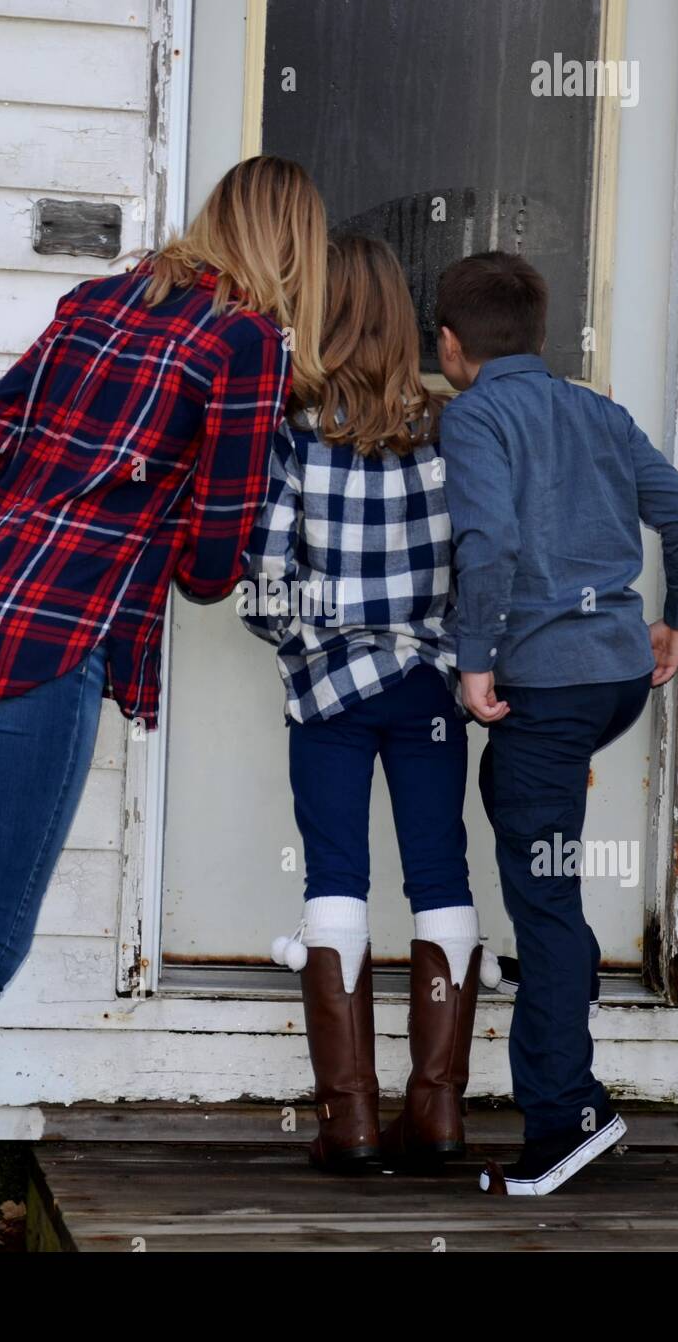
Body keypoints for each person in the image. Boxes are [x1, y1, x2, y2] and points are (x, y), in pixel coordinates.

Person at [0, 156, 328, 1247]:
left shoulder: (102, 300)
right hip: (60, 635)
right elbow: (210, 561)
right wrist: (155, 491)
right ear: (297, 250)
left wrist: (69, 466)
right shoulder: (248, 344)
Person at [435, 250, 678, 1196]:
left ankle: (568, 1118)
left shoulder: (472, 415)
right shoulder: (598, 411)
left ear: (450, 345)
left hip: (545, 688)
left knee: (544, 896)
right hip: (614, 680)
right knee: (531, 833)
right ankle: (566, 1010)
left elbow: (489, 545)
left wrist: (474, 662)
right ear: (542, 336)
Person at [241, 233, 494, 1172]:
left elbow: (264, 581)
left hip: (329, 694)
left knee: (334, 878)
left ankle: (347, 1120)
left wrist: (309, 643)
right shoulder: (450, 433)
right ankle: (438, 1113)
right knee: (441, 878)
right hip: (430, 687)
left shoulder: (293, 432)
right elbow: (481, 561)